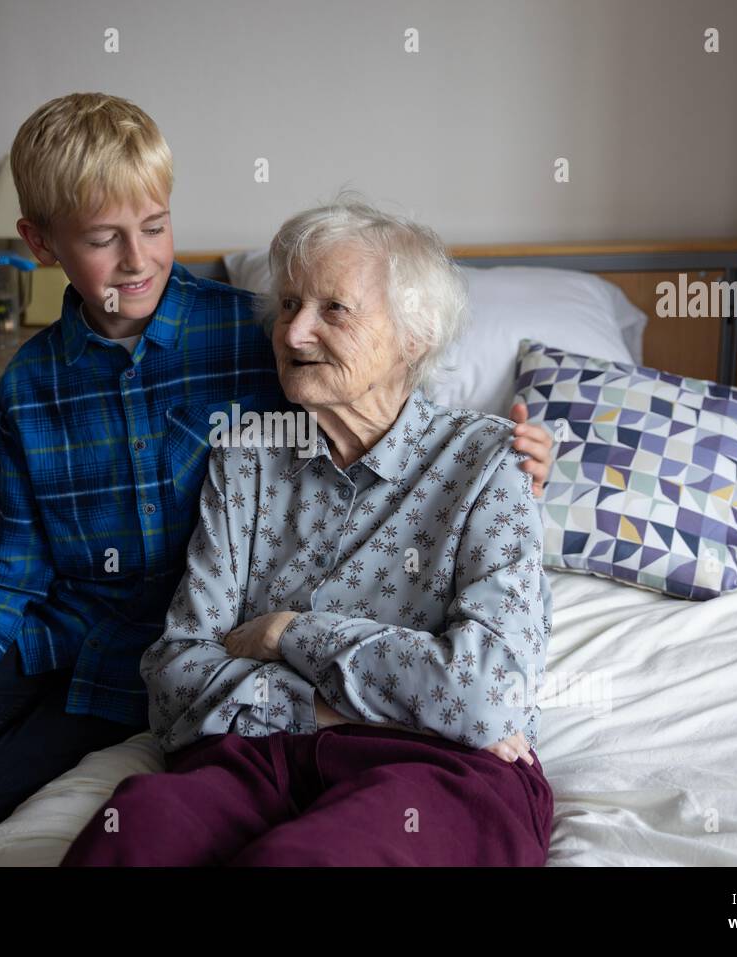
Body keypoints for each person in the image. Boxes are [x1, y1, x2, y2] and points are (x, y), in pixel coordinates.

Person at [0, 94, 556, 865]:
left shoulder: (248, 336)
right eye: (102, 239)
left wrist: (506, 455)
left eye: (155, 227)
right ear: (41, 244)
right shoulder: (44, 387)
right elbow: (5, 581)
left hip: (192, 669)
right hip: (100, 650)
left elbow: (387, 395)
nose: (294, 331)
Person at [61, 199, 554, 866]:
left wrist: (287, 633)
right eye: (289, 304)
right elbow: (176, 678)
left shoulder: (489, 463)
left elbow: (486, 695)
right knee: (137, 829)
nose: (293, 334)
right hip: (253, 756)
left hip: (438, 771)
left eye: (334, 309)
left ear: (413, 335)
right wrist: (337, 708)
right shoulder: (246, 458)